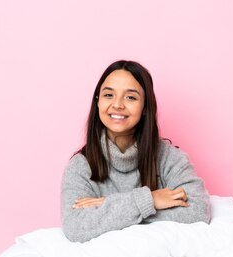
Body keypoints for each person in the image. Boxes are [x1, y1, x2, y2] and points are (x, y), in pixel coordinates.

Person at [60, 60, 211, 242]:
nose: (117, 105)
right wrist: (150, 200)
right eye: (109, 95)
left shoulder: (170, 158)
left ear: (145, 107)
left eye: (130, 97)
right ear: (98, 102)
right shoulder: (80, 166)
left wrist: (109, 206)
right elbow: (75, 227)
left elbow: (199, 210)